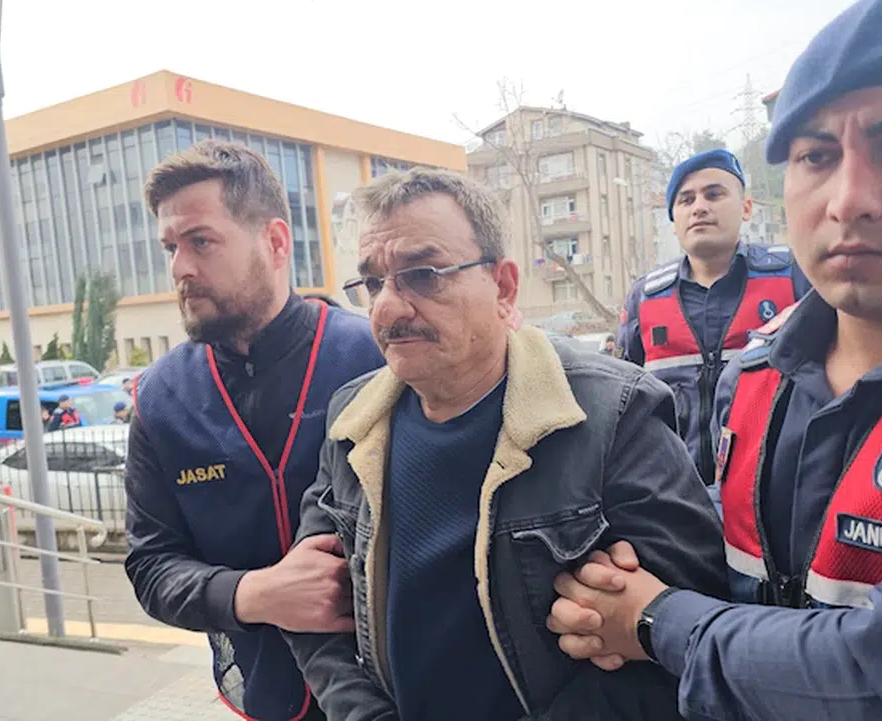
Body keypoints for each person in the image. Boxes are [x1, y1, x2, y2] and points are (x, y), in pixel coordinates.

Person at [547, 1, 882, 719]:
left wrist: (655, 622)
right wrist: (611, 585)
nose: (850, 200)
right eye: (816, 156)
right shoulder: (757, 372)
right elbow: (728, 546)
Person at [284, 168, 727, 720]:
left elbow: (685, 635)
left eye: (422, 275)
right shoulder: (353, 422)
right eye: (373, 283)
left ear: (504, 286)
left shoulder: (613, 415)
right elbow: (310, 611)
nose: (387, 309)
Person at [124, 140, 384, 721]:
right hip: (266, 701)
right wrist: (256, 595)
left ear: (275, 242)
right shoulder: (159, 399)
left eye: (201, 241)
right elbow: (151, 565)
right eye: (170, 247)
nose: (180, 268)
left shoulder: (375, 357)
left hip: (403, 692)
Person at [618, 149, 810, 482]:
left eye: (714, 194)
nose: (699, 207)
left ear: (746, 208)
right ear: (674, 220)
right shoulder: (645, 299)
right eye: (686, 200)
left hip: (774, 489)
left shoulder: (794, 278)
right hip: (674, 494)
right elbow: (624, 405)